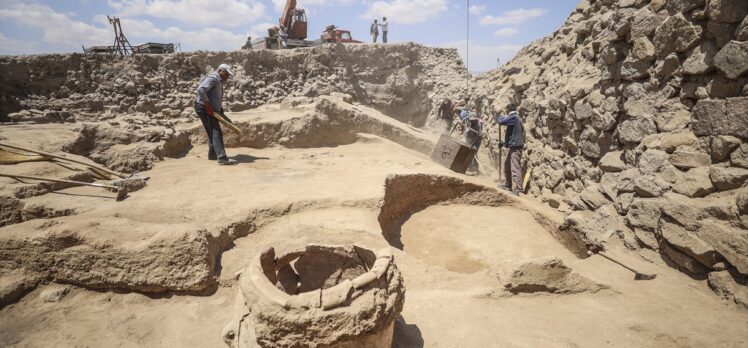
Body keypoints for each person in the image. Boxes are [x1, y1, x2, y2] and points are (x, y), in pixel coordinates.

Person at [194, 63, 237, 165]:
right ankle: (221, 157)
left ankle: (212, 154)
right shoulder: (213, 78)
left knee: (211, 130)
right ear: (221, 70)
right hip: (204, 108)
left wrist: (220, 111)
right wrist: (208, 105)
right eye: (226, 74)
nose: (228, 77)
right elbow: (201, 90)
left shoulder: (218, 80)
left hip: (208, 108)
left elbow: (215, 97)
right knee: (216, 131)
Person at [496, 103, 525, 195]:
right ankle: (508, 185)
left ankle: (518, 189)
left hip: (515, 147)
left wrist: (499, 117)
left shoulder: (514, 117)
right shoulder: (516, 118)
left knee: (515, 167)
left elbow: (501, 121)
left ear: (508, 111)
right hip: (513, 146)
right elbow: (514, 136)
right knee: (507, 165)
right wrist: (504, 144)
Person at [459, 103, 483, 174]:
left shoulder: (479, 124)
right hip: (469, 138)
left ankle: (475, 169)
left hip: (476, 140)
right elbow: (462, 122)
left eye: (473, 120)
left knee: (473, 152)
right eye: (471, 120)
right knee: (467, 151)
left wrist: (476, 134)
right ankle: (469, 166)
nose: (472, 121)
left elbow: (479, 134)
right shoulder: (467, 120)